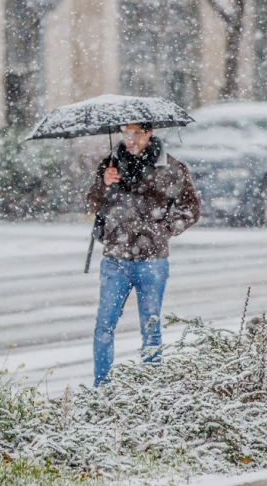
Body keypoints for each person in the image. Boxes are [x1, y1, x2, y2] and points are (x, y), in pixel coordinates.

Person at [86, 122, 200, 387]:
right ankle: (101, 388)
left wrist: (163, 229)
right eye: (126, 133)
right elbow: (93, 203)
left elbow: (191, 209)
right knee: (104, 326)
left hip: (152, 259)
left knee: (151, 329)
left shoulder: (171, 168)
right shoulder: (111, 164)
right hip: (115, 258)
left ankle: (151, 390)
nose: (130, 139)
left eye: (136, 133)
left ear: (149, 133)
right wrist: (104, 184)